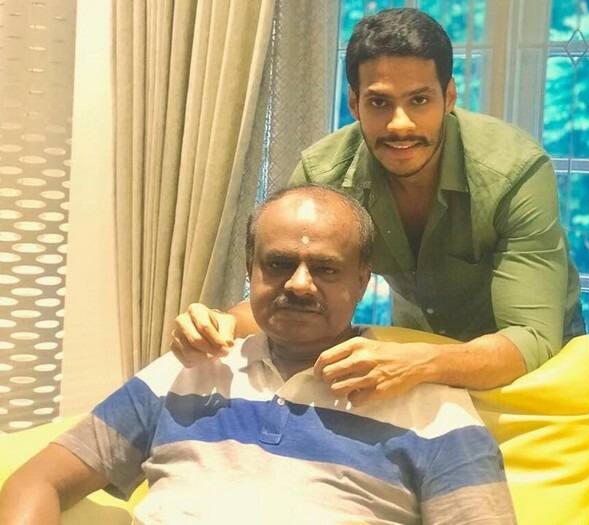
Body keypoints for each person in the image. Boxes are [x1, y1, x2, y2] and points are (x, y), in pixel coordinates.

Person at [0, 185, 516, 524]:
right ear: (250, 270)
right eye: (278, 263)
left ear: (362, 282)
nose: (299, 284)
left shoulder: (434, 409)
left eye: (325, 269)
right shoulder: (187, 369)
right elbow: (38, 480)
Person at [170, 8, 584, 402]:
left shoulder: (515, 172)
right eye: (379, 103)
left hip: (522, 366)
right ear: (354, 104)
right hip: (416, 351)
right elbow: (286, 294)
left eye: (419, 100)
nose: (400, 124)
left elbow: (531, 336)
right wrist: (217, 325)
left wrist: (421, 363)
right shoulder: (325, 174)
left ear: (449, 97)